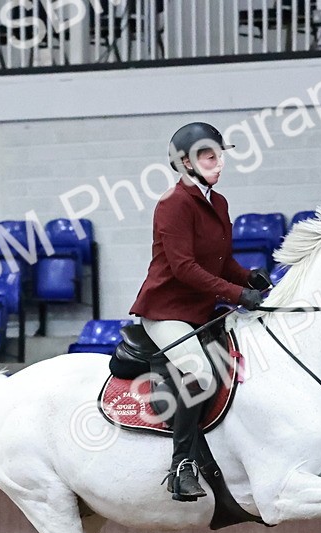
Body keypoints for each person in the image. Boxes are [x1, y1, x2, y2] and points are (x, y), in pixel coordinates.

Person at [129, 122, 271, 501]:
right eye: (210, 157)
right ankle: (182, 466)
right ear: (187, 163)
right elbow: (185, 268)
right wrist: (237, 294)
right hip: (166, 311)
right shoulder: (173, 204)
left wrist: (248, 277)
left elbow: (221, 262)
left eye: (220, 156)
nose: (219, 163)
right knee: (202, 374)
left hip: (201, 310)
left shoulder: (218, 202)